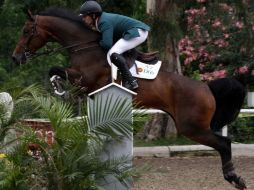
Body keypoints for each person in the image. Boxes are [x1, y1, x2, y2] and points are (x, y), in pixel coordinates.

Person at [79, 0, 150, 90]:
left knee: (112, 53)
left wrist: (97, 42)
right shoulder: (100, 21)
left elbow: (107, 44)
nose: (83, 19)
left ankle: (131, 81)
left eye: (85, 16)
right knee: (113, 52)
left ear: (93, 15)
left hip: (138, 32)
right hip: (135, 31)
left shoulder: (103, 22)